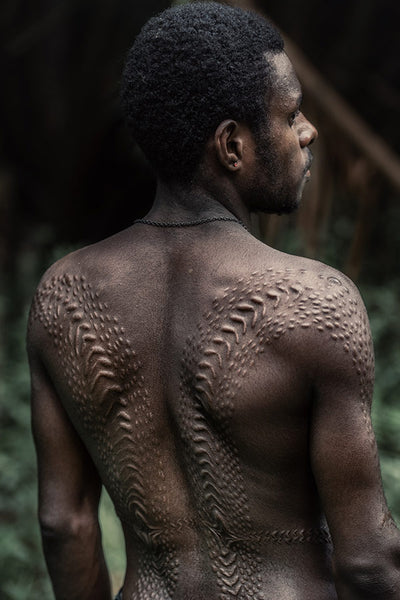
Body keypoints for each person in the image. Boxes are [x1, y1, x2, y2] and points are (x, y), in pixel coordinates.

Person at [27, 2, 400, 599]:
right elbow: (368, 562)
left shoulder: (62, 298)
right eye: (292, 114)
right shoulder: (317, 303)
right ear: (232, 145)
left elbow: (64, 523)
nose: (309, 131)